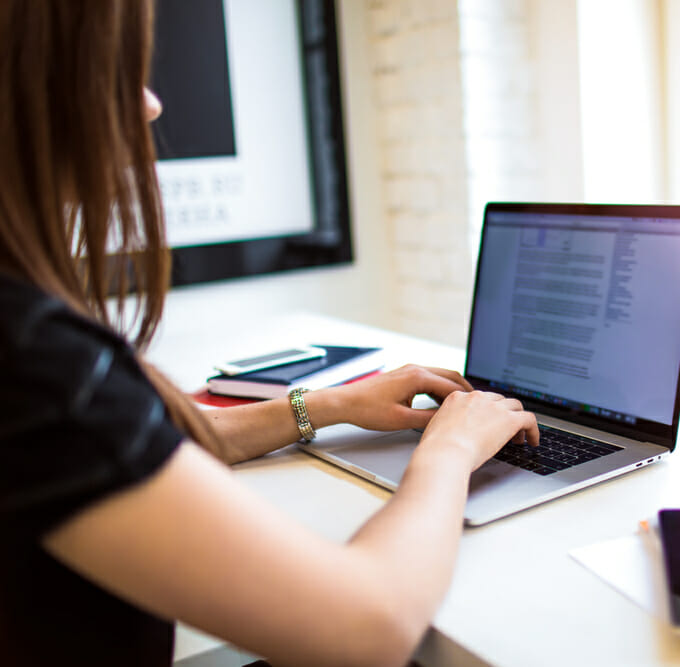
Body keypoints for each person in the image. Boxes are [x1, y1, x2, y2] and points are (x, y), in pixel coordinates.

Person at [0, 2, 539, 666]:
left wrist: (333, 403)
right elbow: (370, 625)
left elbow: (140, 444)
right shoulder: (32, 359)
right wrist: (450, 452)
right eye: (117, 71)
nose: (149, 105)